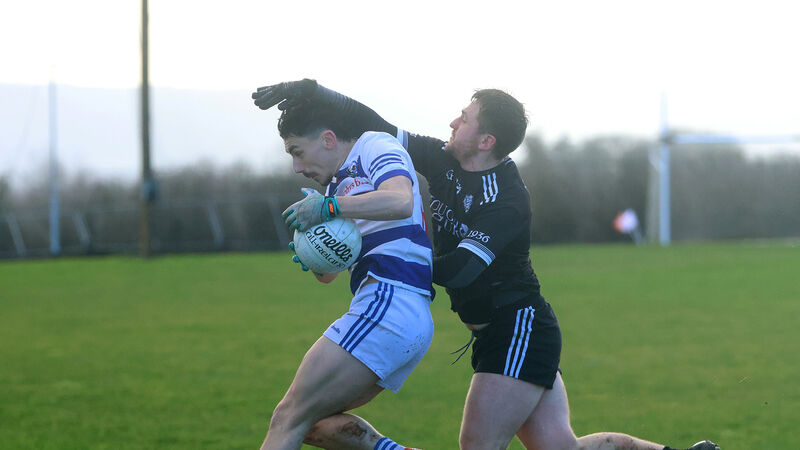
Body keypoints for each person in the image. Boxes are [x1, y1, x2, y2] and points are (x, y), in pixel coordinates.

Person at [253, 81, 720, 450]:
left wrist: (395, 256)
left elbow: (459, 271)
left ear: (486, 139)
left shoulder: (508, 200)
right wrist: (313, 91)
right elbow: (371, 124)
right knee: (561, 448)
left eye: (466, 118)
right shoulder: (445, 161)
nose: (454, 121)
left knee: (478, 444)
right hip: (501, 332)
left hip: (517, 326)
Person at [259, 98, 434, 450]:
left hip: (390, 300)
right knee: (313, 424)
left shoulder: (375, 144)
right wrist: (316, 257)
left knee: (287, 417)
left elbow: (400, 199)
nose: (295, 166)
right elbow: (331, 275)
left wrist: (330, 207)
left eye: (297, 151)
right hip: (390, 308)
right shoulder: (334, 186)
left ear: (327, 139)